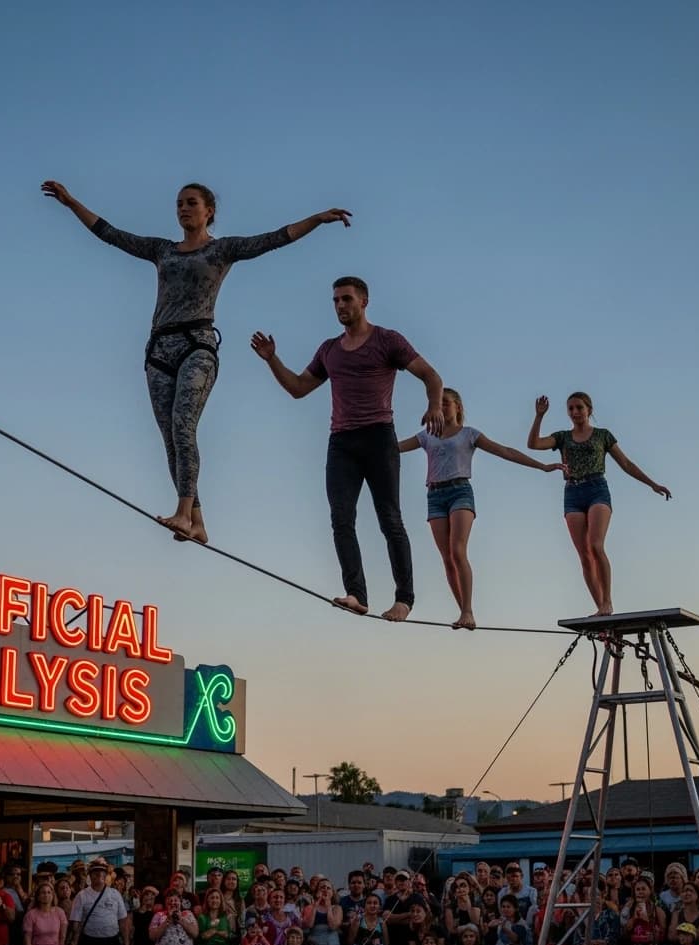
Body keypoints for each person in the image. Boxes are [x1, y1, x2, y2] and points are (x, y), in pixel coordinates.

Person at [42, 179, 350, 544]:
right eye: (178, 204)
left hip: (197, 346)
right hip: (159, 350)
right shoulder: (161, 250)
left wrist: (316, 218)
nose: (183, 209)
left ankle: (183, 513)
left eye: (191, 203)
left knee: (183, 423)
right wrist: (71, 202)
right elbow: (111, 234)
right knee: (171, 438)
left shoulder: (222, 250)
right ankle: (198, 522)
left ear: (209, 211)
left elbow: (275, 238)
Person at [252, 276, 444, 620]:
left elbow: (431, 375)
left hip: (379, 438)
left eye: (346, 299)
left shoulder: (388, 340)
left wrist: (435, 405)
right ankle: (357, 594)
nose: (341, 306)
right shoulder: (329, 349)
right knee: (341, 519)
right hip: (341, 443)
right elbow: (298, 388)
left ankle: (404, 599)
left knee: (390, 520)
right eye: (336, 301)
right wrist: (272, 360)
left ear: (363, 302)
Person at [399, 387, 562, 628]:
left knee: (457, 550)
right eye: (438, 403)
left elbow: (505, 451)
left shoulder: (469, 434)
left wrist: (542, 466)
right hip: (434, 495)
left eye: (446, 403)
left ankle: (468, 611)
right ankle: (462, 612)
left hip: (460, 492)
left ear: (458, 407)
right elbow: (392, 447)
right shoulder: (427, 435)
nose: (442, 407)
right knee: (446, 558)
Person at [527, 392, 671, 616]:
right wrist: (539, 416)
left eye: (579, 408)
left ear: (589, 410)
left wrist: (651, 484)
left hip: (597, 490)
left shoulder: (603, 435)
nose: (575, 412)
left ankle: (608, 601)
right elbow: (534, 444)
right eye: (571, 409)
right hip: (573, 493)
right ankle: (600, 609)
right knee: (584, 555)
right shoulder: (563, 437)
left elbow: (625, 463)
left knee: (595, 545)